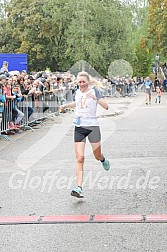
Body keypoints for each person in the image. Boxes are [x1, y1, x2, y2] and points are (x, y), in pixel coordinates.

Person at [60, 71, 110, 198]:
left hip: (92, 126)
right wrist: (66, 106)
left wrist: (96, 98)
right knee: (80, 158)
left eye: (83, 82)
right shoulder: (77, 92)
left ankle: (103, 159)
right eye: (79, 82)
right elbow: (77, 104)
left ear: (88, 82)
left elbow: (106, 107)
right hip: (79, 127)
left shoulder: (95, 91)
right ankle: (79, 187)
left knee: (97, 155)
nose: (81, 84)